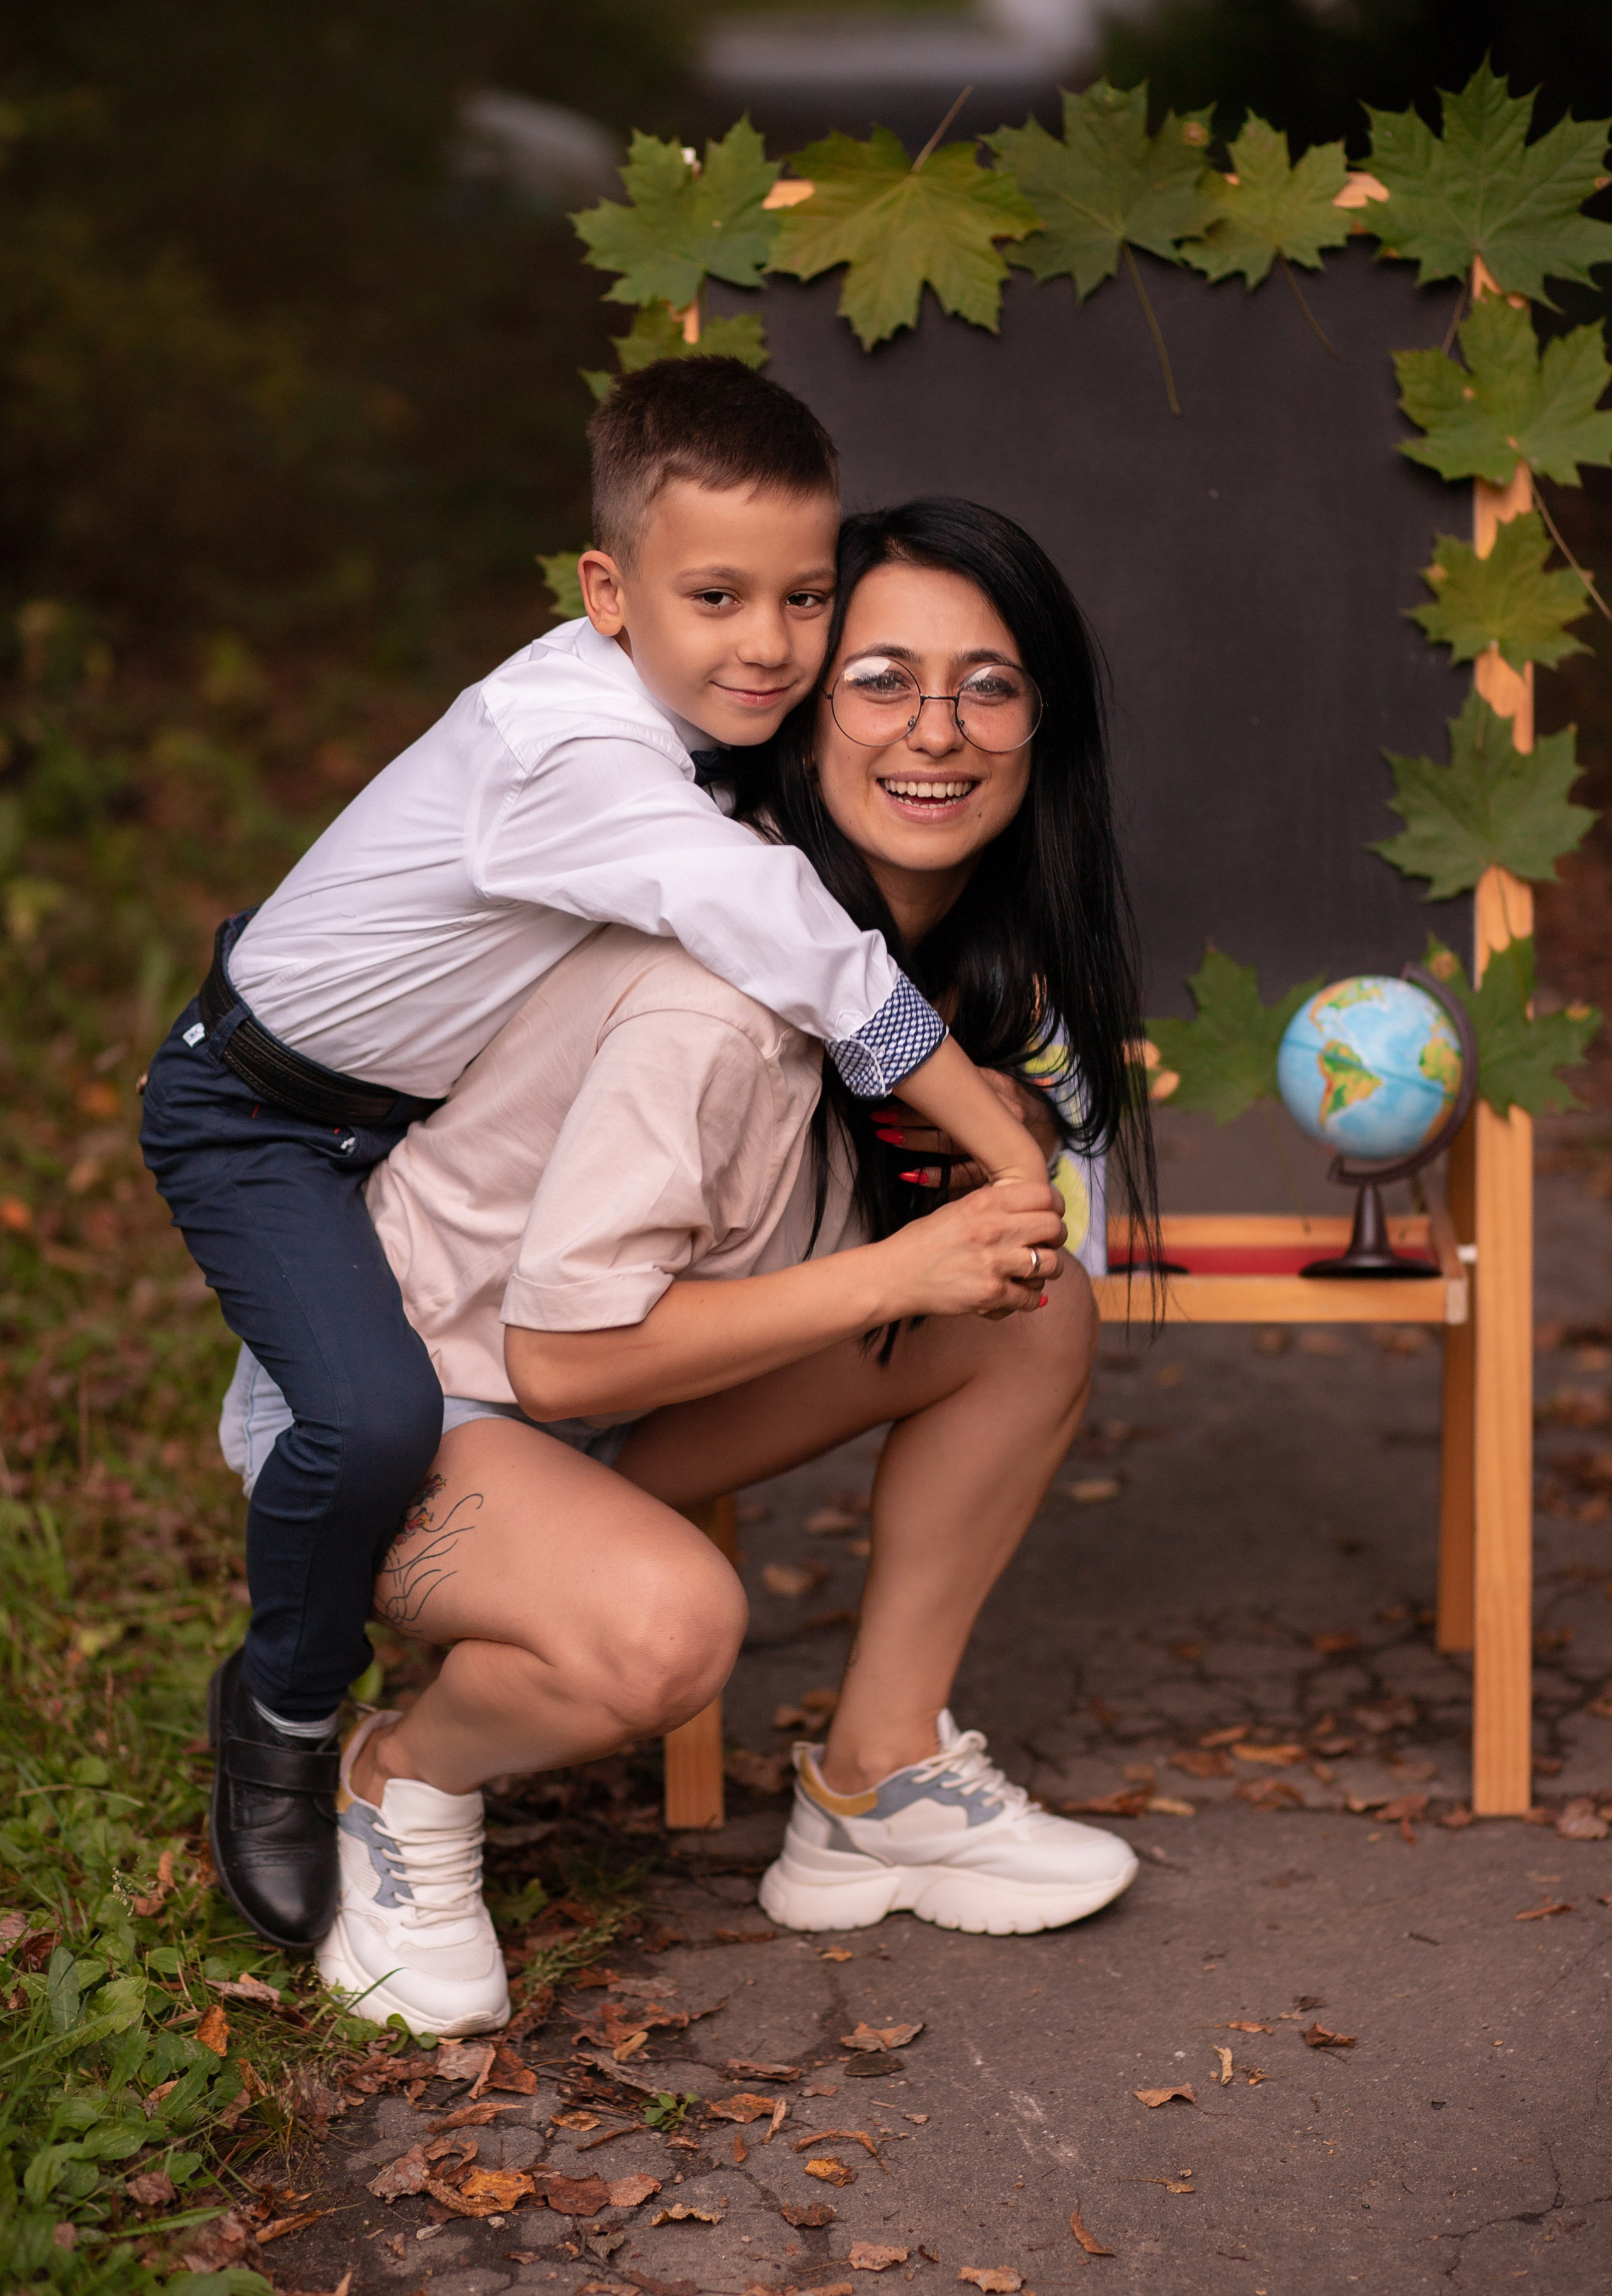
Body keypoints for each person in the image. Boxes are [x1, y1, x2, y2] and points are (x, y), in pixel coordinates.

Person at [139, 359, 1052, 1956]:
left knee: (1020, 1309)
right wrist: (980, 1146)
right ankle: (290, 1717)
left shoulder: (689, 736)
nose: (768, 645)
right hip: (257, 1105)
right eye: (716, 596)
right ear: (606, 590)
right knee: (366, 1413)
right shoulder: (576, 756)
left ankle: (876, 1765)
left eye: (801, 600)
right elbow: (790, 940)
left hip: (379, 1117)